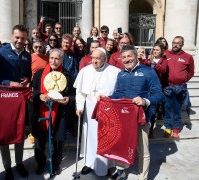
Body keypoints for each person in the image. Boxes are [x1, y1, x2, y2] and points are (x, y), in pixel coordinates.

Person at [109, 45, 163, 180]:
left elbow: (159, 94)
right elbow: (118, 94)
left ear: (135, 56)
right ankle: (121, 170)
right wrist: (107, 98)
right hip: (124, 117)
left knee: (143, 150)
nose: (127, 59)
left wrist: (145, 101)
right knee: (122, 145)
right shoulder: (121, 74)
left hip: (141, 118)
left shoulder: (148, 71)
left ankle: (142, 177)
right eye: (124, 57)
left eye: (129, 56)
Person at [0, 24, 31, 179]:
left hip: (19, 101)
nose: (20, 40)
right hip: (3, 100)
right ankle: (7, 167)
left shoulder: (27, 55)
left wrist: (27, 79)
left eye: (23, 38)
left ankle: (19, 163)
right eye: (17, 37)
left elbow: (27, 75)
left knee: (19, 132)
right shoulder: (0, 53)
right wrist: (8, 83)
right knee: (4, 135)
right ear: (12, 36)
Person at [74, 47, 120, 177]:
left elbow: (118, 92)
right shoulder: (84, 71)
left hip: (107, 108)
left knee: (106, 136)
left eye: (97, 58)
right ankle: (89, 163)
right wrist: (79, 107)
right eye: (93, 58)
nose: (94, 61)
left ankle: (109, 165)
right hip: (89, 107)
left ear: (104, 59)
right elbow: (80, 92)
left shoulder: (114, 71)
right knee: (90, 136)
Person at [32, 48, 75, 176]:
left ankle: (56, 164)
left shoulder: (68, 75)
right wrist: (39, 96)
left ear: (61, 60)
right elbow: (32, 91)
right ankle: (40, 163)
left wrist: (68, 99)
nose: (53, 61)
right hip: (42, 110)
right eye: (51, 58)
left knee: (58, 140)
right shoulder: (39, 74)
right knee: (40, 140)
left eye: (57, 58)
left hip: (60, 112)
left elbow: (73, 94)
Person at [163, 36, 194, 139]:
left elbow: (191, 72)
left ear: (182, 45)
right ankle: (168, 128)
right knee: (167, 108)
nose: (175, 45)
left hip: (179, 88)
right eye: (174, 43)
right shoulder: (166, 54)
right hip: (167, 87)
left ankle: (176, 128)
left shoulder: (188, 57)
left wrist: (183, 79)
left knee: (177, 109)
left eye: (178, 43)